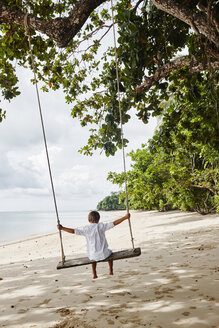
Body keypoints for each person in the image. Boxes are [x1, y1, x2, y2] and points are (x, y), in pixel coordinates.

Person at [57, 211, 130, 279]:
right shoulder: (101, 226)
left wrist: (62, 228)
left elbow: (74, 231)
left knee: (92, 256)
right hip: (104, 254)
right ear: (98, 219)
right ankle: (111, 270)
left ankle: (94, 274)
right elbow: (114, 223)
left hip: (93, 256)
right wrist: (125, 217)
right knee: (109, 253)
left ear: (89, 220)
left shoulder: (86, 229)